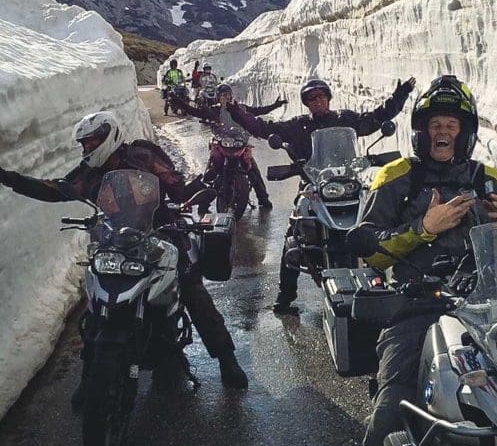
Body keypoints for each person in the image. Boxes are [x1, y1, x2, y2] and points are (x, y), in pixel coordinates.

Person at [0, 111, 248, 406]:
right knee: (98, 303)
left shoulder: (144, 156)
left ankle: (226, 359)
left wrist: (198, 190)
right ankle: (91, 376)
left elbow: (176, 186)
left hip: (160, 232)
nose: (87, 150)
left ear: (109, 136)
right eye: (84, 145)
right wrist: (8, 178)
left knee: (191, 288)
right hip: (115, 240)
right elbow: (56, 189)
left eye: (91, 143)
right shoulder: (89, 172)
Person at [351, 75, 497, 446]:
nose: (442, 132)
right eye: (435, 125)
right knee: (394, 402)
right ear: (422, 132)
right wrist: (424, 227)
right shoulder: (396, 175)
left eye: (451, 125)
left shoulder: (491, 180)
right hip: (415, 307)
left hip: (486, 306)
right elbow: (368, 248)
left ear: (465, 133)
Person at [226, 76, 416, 312]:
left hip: (348, 183)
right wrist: (234, 109)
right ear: (306, 103)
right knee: (293, 234)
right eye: (311, 98)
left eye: (321, 96)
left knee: (376, 220)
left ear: (328, 98)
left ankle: (388, 283)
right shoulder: (298, 126)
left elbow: (375, 120)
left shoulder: (345, 120)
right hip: (314, 186)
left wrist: (401, 95)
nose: (317, 101)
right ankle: (284, 298)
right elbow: (264, 129)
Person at [172, 82, 288, 209]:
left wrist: (275, 105)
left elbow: (258, 111)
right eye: (223, 95)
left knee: (253, 170)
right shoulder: (215, 110)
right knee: (211, 170)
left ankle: (263, 199)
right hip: (222, 143)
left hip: (239, 142)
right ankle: (203, 203)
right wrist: (180, 103)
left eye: (228, 95)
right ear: (218, 97)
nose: (226, 97)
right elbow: (196, 112)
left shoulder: (240, 108)